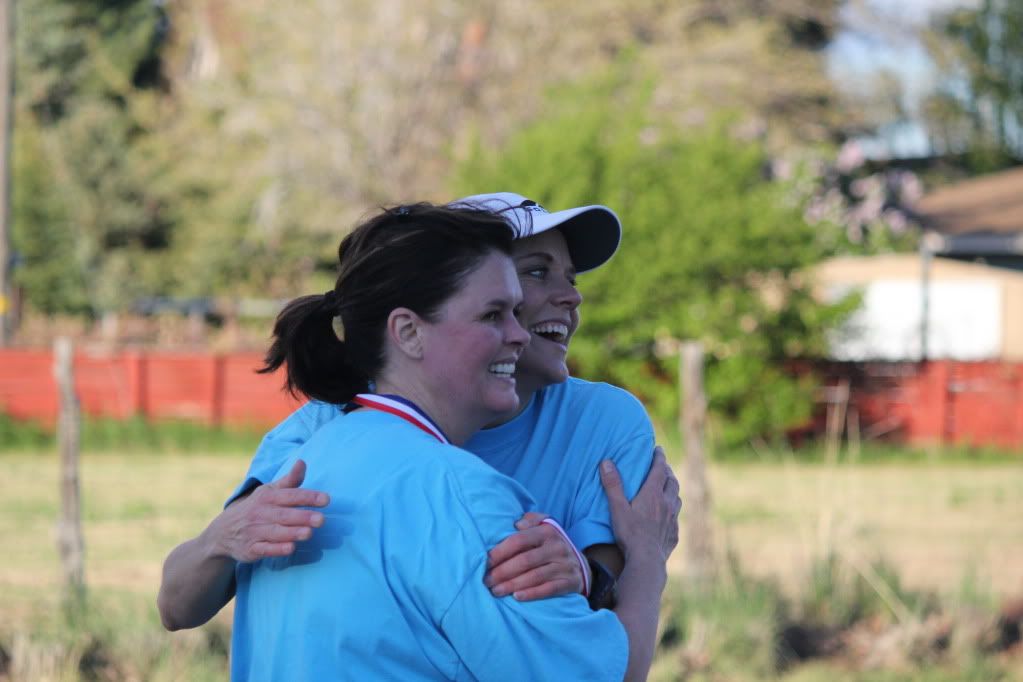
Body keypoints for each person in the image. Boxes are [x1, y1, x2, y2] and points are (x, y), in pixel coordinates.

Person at [158, 192, 673, 627]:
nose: (570, 297)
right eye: (537, 273)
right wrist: (222, 539)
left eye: (571, 278)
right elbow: (177, 607)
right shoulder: (332, 426)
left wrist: (588, 575)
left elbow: (604, 616)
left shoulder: (606, 421)